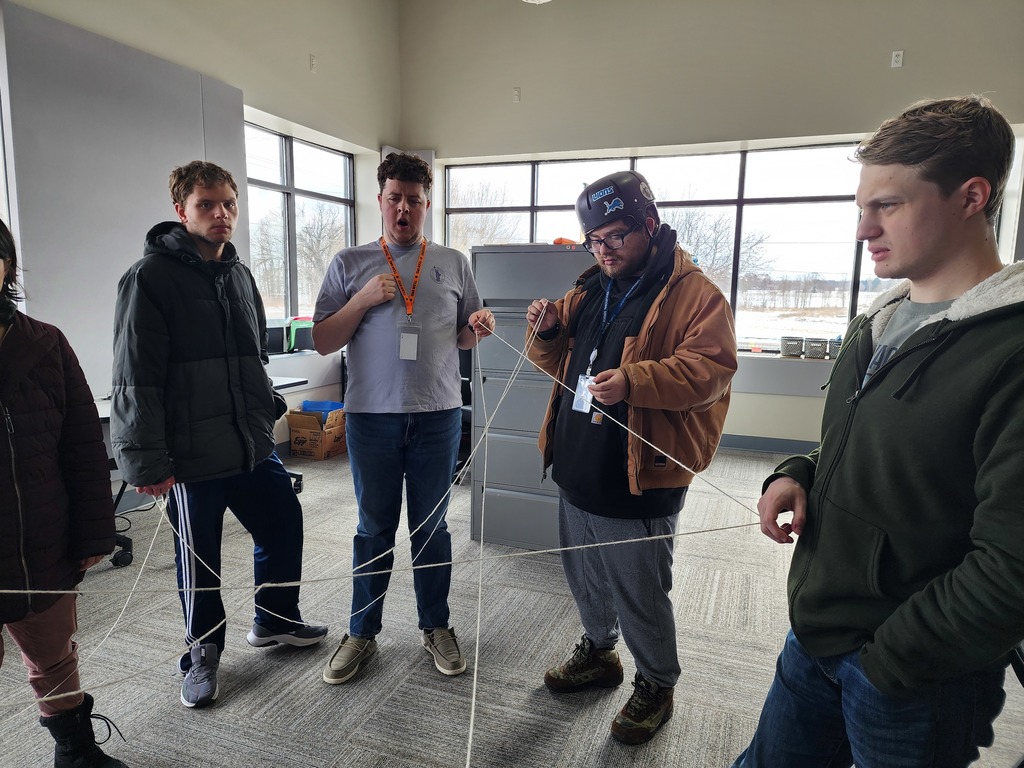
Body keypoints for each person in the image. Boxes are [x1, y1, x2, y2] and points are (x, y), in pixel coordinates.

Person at [732, 95, 1024, 767]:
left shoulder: (1010, 349)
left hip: (910, 674)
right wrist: (800, 471)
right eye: (862, 207)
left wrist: (891, 660)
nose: (864, 229)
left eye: (887, 205)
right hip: (817, 633)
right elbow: (867, 445)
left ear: (971, 197)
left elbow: (1012, 566)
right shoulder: (880, 321)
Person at [525, 170, 737, 745]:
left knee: (639, 590)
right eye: (594, 240)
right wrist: (547, 331)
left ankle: (657, 683)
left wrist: (633, 381)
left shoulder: (695, 294)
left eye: (616, 236)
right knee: (586, 577)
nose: (604, 250)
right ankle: (599, 652)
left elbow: (711, 372)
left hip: (641, 474)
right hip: (577, 464)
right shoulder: (589, 288)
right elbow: (552, 362)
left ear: (649, 223)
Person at [110, 161, 327, 709]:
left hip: (249, 443)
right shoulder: (148, 278)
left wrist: (266, 408)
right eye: (206, 204)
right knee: (199, 561)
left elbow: (253, 358)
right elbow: (135, 376)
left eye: (228, 203)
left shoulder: (239, 275)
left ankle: (275, 619)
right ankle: (202, 654)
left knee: (283, 523)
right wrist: (146, 461)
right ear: (181, 211)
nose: (221, 213)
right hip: (189, 455)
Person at [312, 152, 493, 685]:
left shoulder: (453, 262)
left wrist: (478, 328)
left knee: (431, 527)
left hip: (438, 415)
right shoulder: (349, 263)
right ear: (381, 200)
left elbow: (464, 336)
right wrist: (363, 300)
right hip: (372, 419)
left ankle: (435, 625)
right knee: (374, 528)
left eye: (414, 200)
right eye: (395, 198)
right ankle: (361, 632)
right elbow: (323, 339)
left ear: (426, 204)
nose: (404, 209)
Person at [0, 219, 128, 766]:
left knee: (54, 656)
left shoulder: (45, 343)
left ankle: (75, 752)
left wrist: (95, 532)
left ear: (6, 264)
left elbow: (82, 447)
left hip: (41, 541)